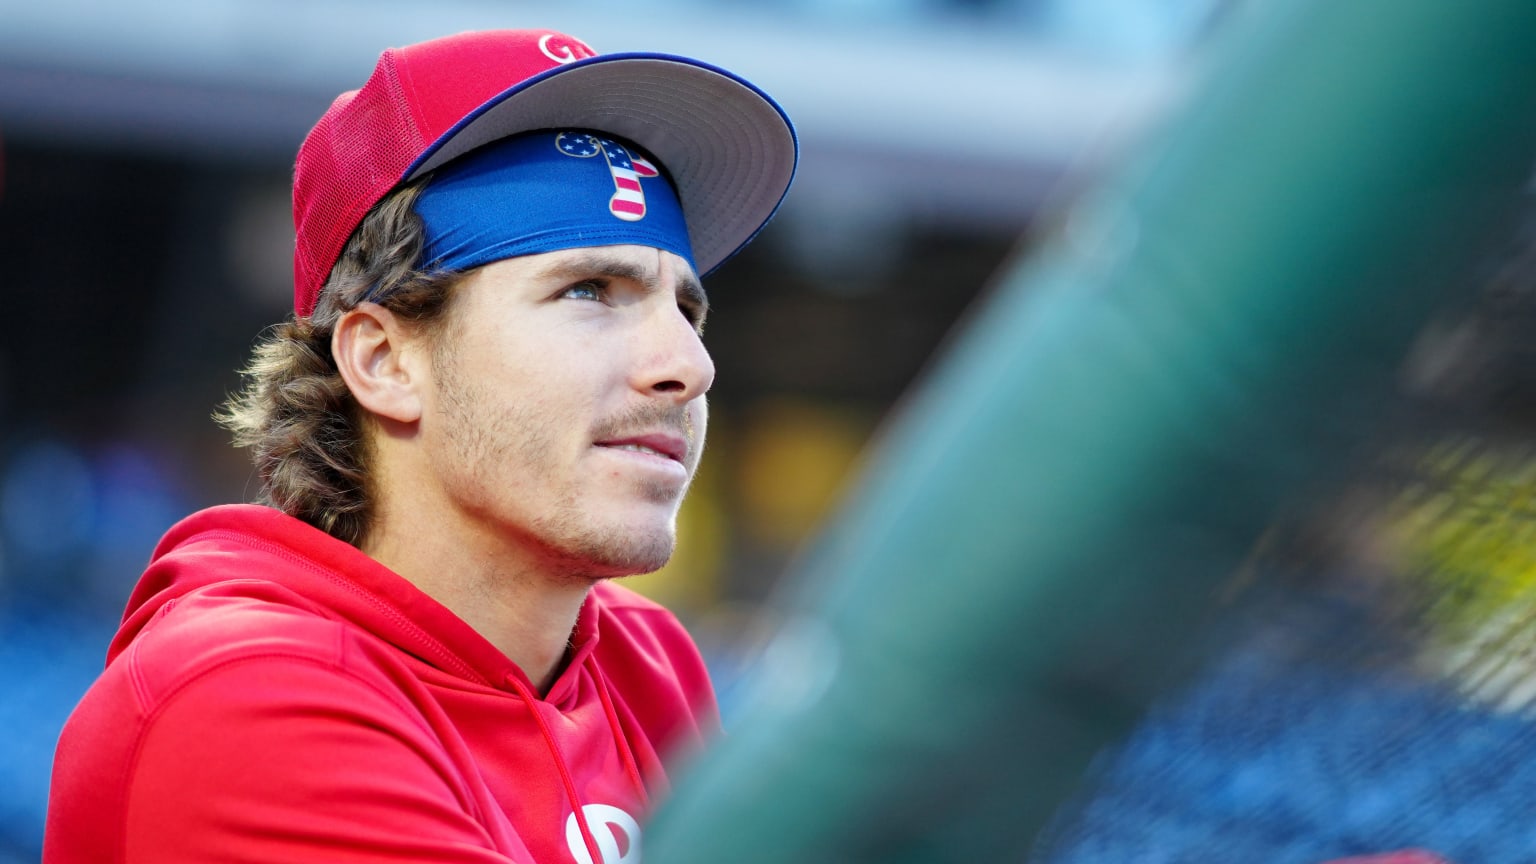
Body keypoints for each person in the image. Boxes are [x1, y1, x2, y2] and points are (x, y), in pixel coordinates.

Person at [43, 27, 796, 863]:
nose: (688, 366)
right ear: (385, 360)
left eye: (685, 310)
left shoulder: (644, 660)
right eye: (590, 290)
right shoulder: (243, 696)